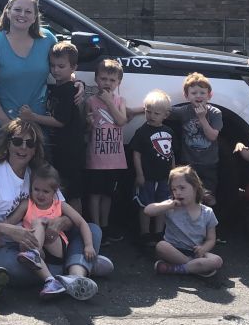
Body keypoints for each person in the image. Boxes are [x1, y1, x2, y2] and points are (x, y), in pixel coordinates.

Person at [0, 119, 111, 292]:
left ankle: (72, 272)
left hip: (43, 242)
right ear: (7, 144)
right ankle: (79, 267)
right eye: (17, 141)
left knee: (93, 229)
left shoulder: (39, 172)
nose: (23, 147)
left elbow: (67, 213)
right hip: (0, 245)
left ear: (36, 149)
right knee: (11, 270)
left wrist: (59, 222)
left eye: (30, 143)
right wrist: (10, 231)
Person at [1, 165, 102, 300]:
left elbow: (82, 222)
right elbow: (9, 224)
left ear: (55, 191)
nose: (40, 195)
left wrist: (88, 245)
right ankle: (50, 281)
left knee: (39, 222)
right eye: (36, 189)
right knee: (24, 243)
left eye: (46, 191)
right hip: (36, 251)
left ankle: (35, 254)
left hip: (55, 246)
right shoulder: (27, 204)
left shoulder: (59, 205)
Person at [0, 0, 59, 138]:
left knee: (38, 161)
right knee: (5, 162)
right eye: (17, 9)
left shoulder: (48, 39)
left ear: (34, 17)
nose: (22, 15)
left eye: (28, 11)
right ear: (8, 12)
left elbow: (61, 68)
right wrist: (7, 125)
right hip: (1, 122)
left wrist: (75, 82)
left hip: (36, 120)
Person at [20, 40, 86, 212]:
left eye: (61, 66)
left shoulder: (69, 91)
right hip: (58, 149)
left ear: (73, 67)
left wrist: (32, 117)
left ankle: (76, 227)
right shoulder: (56, 88)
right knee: (59, 188)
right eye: (53, 65)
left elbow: (60, 121)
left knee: (72, 192)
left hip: (71, 150)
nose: (56, 70)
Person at [146, 166, 223, 277]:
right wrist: (168, 205)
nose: (178, 192)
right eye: (174, 189)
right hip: (173, 251)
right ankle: (196, 268)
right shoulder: (171, 206)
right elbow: (148, 210)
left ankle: (175, 268)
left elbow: (211, 239)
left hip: (195, 252)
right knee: (161, 246)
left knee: (217, 260)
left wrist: (203, 249)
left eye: (182, 188)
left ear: (195, 187)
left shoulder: (207, 212)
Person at [85, 59, 129, 242]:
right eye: (103, 79)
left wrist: (110, 103)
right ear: (96, 79)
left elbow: (121, 121)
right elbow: (87, 128)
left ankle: (105, 225)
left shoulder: (120, 101)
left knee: (107, 195)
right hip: (95, 158)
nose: (107, 83)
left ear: (118, 82)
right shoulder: (90, 101)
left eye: (112, 80)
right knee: (94, 194)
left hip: (114, 159)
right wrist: (87, 123)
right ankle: (96, 228)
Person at [131, 90, 176, 245]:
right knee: (145, 204)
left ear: (165, 115)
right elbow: (136, 154)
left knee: (163, 204)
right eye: (147, 111)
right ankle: (144, 233)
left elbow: (171, 153)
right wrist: (139, 174)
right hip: (147, 177)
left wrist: (173, 173)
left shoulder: (169, 132)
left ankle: (159, 233)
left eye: (156, 113)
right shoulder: (142, 132)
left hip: (164, 177)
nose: (151, 116)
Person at [170, 73, 222, 206]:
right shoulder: (184, 111)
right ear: (186, 96)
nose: (198, 96)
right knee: (187, 195)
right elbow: (161, 109)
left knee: (209, 198)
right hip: (188, 163)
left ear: (209, 95)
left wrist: (202, 118)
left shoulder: (215, 113)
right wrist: (135, 111)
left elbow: (212, 136)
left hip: (208, 163)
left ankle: (206, 220)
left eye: (202, 92)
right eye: (194, 93)